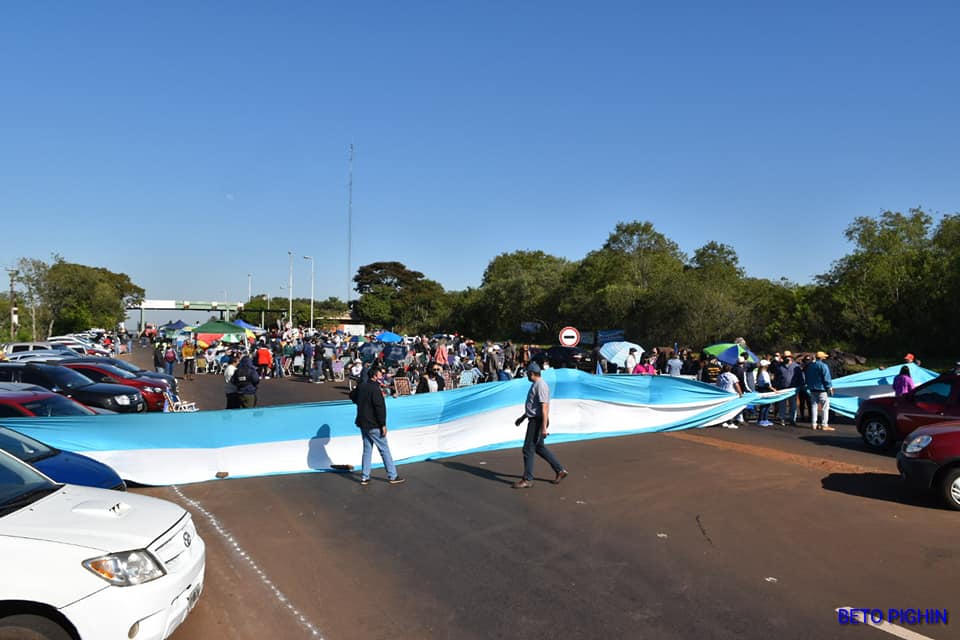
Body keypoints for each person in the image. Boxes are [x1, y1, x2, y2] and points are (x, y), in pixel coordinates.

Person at [512, 362, 568, 488]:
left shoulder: (540, 385)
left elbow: (544, 407)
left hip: (538, 420)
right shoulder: (537, 385)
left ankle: (527, 479)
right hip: (536, 418)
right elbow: (534, 406)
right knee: (539, 447)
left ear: (531, 373)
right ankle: (560, 470)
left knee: (527, 449)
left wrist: (543, 427)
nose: (526, 375)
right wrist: (523, 417)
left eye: (527, 373)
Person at [352, 366, 404, 485]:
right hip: (374, 424)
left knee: (367, 450)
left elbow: (353, 397)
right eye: (381, 374)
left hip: (362, 422)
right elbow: (380, 408)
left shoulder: (362, 386)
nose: (382, 375)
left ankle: (365, 476)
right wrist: (383, 424)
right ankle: (392, 475)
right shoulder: (375, 389)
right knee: (384, 449)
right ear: (375, 376)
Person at [805, 351, 834, 431]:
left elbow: (807, 377)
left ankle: (813, 424)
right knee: (825, 407)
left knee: (814, 406)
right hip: (822, 389)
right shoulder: (823, 366)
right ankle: (824, 425)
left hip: (812, 389)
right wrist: (829, 387)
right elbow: (826, 378)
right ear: (821, 358)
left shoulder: (810, 365)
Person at [773, 351, 801, 425]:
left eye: (788, 357)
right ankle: (782, 419)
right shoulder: (780, 366)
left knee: (793, 404)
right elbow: (776, 377)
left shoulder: (796, 366)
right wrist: (775, 386)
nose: (787, 358)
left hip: (793, 388)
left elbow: (800, 377)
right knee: (782, 404)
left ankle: (792, 419)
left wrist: (800, 385)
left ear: (791, 357)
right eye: (785, 357)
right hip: (782, 388)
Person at [715, 364, 743, 429]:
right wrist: (740, 393)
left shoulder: (720, 376)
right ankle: (730, 422)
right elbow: (736, 385)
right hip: (731, 394)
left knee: (723, 408)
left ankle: (723, 421)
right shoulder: (733, 376)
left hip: (723, 394)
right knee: (731, 409)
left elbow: (717, 385)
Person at [754, 359, 777, 427]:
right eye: (767, 364)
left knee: (766, 405)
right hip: (765, 389)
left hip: (763, 389)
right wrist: (773, 389)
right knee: (765, 405)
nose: (768, 365)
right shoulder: (764, 373)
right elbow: (767, 383)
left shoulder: (761, 372)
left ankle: (765, 419)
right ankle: (762, 419)